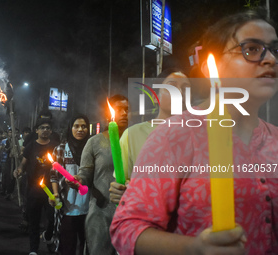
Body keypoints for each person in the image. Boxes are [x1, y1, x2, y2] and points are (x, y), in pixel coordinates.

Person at [110, 9, 278, 255]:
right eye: (251, 49)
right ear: (215, 64)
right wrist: (195, 248)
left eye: (275, 49)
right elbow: (127, 228)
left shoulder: (274, 138)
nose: (271, 59)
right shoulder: (175, 136)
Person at [109, 69, 191, 204]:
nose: (180, 93)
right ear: (155, 96)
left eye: (185, 89)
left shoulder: (200, 136)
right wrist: (120, 191)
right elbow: (122, 181)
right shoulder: (133, 135)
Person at [71, 95, 129, 255]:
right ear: (108, 114)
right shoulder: (95, 142)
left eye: (127, 110)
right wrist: (79, 180)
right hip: (101, 212)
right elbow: (85, 173)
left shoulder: (134, 140)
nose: (125, 113)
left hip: (130, 213)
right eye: (119, 109)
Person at [14, 118, 59, 255]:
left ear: (51, 131)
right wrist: (19, 170)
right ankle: (33, 249)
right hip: (33, 188)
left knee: (52, 218)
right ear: (37, 130)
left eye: (48, 128)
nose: (45, 130)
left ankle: (49, 237)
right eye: (42, 128)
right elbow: (23, 163)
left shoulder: (56, 147)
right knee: (34, 219)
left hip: (51, 189)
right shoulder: (31, 146)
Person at [50, 114, 90, 255]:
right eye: (76, 126)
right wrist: (55, 194)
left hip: (89, 206)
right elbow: (54, 176)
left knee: (87, 245)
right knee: (68, 245)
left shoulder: (91, 147)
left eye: (84, 126)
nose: (80, 129)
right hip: (67, 207)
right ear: (70, 128)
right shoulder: (61, 148)